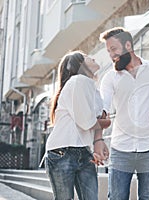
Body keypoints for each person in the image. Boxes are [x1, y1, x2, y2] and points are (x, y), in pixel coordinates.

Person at [99, 27, 149, 200]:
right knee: (117, 197)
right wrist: (97, 137)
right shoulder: (110, 78)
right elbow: (103, 109)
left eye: (114, 49)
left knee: (148, 197)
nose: (112, 55)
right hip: (121, 148)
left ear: (128, 45)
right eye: (108, 51)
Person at [45, 50, 111, 200]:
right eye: (87, 57)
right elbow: (87, 122)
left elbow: (98, 119)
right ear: (79, 64)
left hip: (84, 152)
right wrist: (107, 122)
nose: (92, 57)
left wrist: (98, 142)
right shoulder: (77, 81)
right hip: (62, 152)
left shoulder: (93, 89)